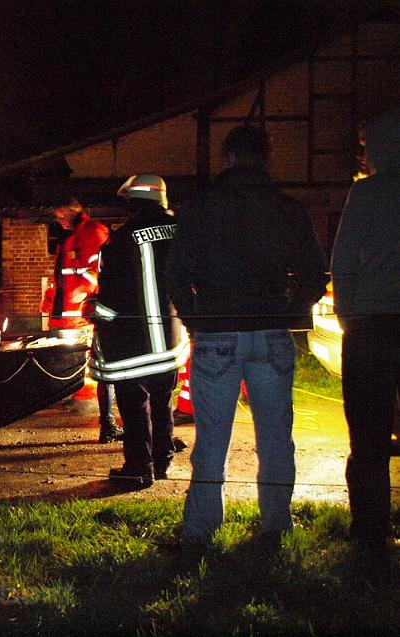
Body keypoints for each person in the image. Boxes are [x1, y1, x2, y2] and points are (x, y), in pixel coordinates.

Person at [166, 125, 329, 545]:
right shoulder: (288, 208)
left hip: (219, 330)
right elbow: (314, 272)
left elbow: (177, 273)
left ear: (228, 158)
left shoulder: (201, 206)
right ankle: (275, 527)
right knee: (276, 439)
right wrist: (292, 310)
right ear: (266, 158)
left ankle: (200, 531)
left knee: (211, 440)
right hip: (271, 330)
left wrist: (195, 316)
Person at [87, 175, 189, 488]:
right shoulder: (181, 231)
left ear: (133, 201)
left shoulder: (121, 240)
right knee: (162, 404)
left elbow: (110, 300)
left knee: (134, 409)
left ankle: (138, 469)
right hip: (171, 344)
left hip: (134, 347)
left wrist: (93, 310)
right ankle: (162, 462)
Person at [331, 108, 400, 554]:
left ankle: (371, 535)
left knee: (369, 438)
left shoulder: (367, 196)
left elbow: (343, 261)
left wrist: (346, 315)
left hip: (372, 328)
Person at [39, 196, 120, 443]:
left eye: (61, 215)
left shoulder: (92, 232)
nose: (59, 220)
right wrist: (49, 299)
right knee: (72, 354)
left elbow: (98, 266)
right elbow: (61, 274)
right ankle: (78, 395)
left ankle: (86, 400)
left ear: (72, 211)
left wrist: (85, 287)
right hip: (67, 309)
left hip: (82, 310)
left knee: (86, 354)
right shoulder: (71, 238)